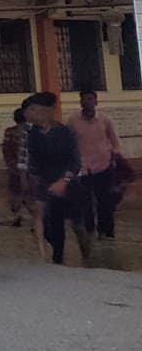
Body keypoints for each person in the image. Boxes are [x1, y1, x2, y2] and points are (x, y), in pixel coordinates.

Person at [24, 91, 92, 266]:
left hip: (69, 185)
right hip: (46, 185)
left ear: (46, 111)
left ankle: (87, 259)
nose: (30, 114)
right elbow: (32, 162)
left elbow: (75, 161)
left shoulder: (65, 133)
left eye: (34, 110)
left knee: (78, 226)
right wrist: (32, 186)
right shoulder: (33, 135)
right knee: (52, 227)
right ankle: (58, 260)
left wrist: (64, 181)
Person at [67, 89, 124, 239]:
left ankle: (106, 231)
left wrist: (115, 156)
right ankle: (89, 229)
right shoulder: (72, 121)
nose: (88, 103)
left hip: (103, 166)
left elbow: (114, 140)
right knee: (85, 202)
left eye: (90, 99)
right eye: (84, 100)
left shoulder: (105, 120)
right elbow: (68, 143)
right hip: (82, 168)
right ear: (80, 102)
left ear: (96, 102)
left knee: (105, 201)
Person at [1, 107, 30, 227]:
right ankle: (36, 218)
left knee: (15, 191)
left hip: (14, 166)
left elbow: (6, 148)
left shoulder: (9, 131)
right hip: (29, 166)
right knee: (30, 192)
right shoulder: (32, 131)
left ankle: (17, 215)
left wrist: (10, 163)